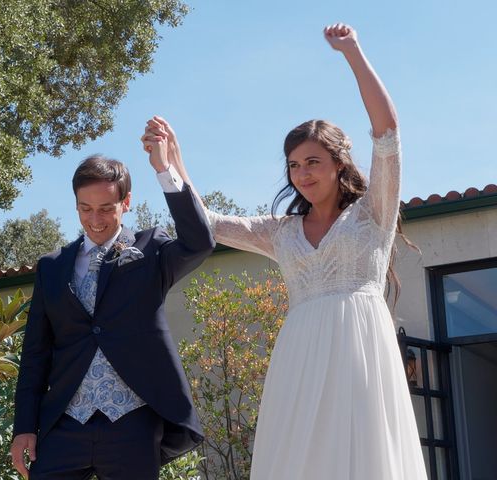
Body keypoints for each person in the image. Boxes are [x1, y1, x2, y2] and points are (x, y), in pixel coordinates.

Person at [142, 23, 427, 480]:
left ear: (339, 163)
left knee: (362, 455)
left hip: (361, 349)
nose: (302, 173)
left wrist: (352, 51)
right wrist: (171, 163)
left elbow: (387, 131)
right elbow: (208, 222)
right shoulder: (281, 232)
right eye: (294, 165)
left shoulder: (373, 213)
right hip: (300, 354)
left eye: (313, 161)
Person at [10, 134, 215, 478]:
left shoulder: (151, 250)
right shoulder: (52, 266)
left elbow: (199, 242)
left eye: (106, 208)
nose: (96, 220)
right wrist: (24, 427)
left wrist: (164, 168)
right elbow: (35, 354)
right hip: (64, 424)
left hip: (132, 423)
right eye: (85, 209)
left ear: (126, 202)